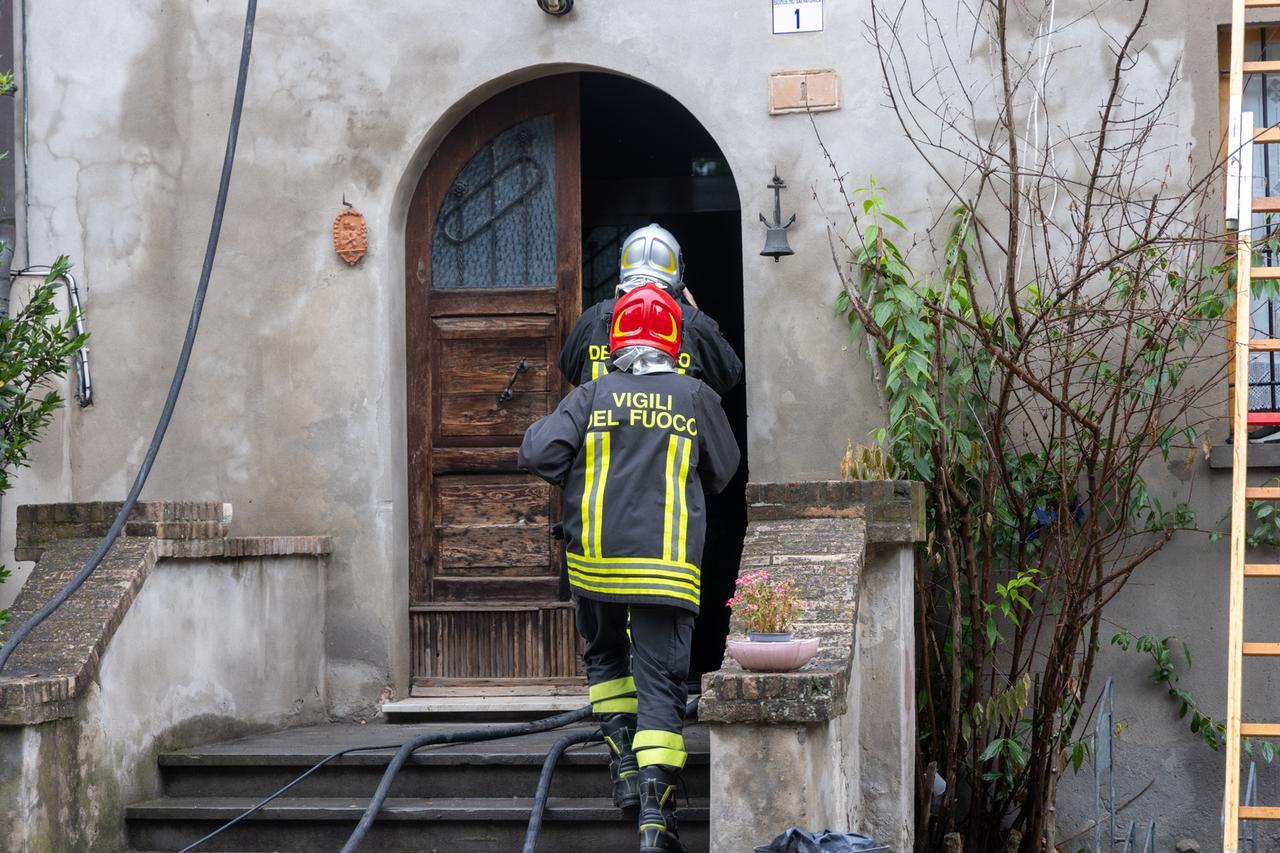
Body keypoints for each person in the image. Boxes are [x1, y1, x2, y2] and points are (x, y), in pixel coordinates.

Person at [520, 283, 740, 853]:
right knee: (661, 683)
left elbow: (540, 454)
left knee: (607, 662)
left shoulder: (590, 395)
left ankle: (621, 771)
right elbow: (723, 472)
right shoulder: (695, 396)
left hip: (594, 566)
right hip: (663, 571)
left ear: (614, 338)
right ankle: (654, 822)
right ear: (675, 339)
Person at [559, 223, 743, 395]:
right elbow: (728, 375)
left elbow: (570, 369)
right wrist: (695, 313)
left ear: (623, 264)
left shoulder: (593, 318)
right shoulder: (693, 323)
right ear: (678, 268)